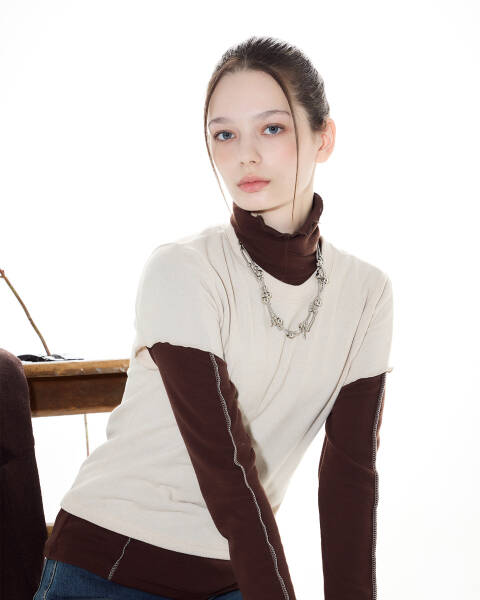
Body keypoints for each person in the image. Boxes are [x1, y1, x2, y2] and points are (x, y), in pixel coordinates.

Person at [36, 35, 394, 600]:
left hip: (231, 575)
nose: (245, 155)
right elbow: (226, 471)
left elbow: (350, 481)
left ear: (323, 137)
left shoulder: (366, 293)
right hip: (108, 569)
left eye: (271, 128)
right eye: (224, 135)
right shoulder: (183, 269)